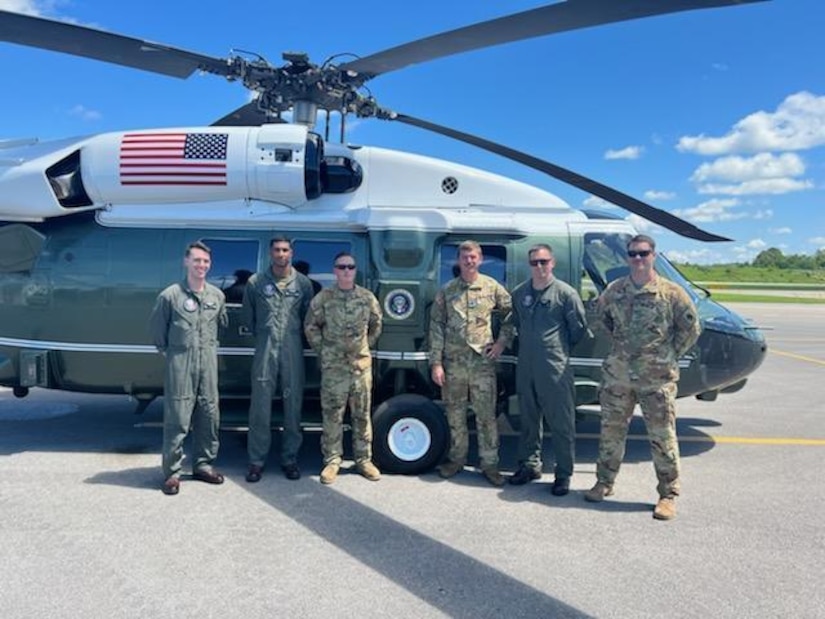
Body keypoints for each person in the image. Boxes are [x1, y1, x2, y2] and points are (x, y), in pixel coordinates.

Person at [584, 234, 701, 520]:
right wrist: (620, 346)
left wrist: (668, 354)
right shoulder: (615, 290)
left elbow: (691, 327)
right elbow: (601, 320)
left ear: (653, 255)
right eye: (633, 254)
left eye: (644, 253)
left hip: (656, 378)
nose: (638, 259)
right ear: (627, 257)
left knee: (662, 436)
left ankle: (668, 494)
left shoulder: (671, 293)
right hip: (619, 375)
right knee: (611, 432)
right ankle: (604, 482)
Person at [429, 240, 514, 487]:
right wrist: (436, 363)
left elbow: (511, 314)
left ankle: (490, 465)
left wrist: (501, 344)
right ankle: (456, 460)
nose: (469, 261)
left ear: (480, 259)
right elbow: (436, 327)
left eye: (473, 257)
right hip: (453, 365)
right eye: (465, 257)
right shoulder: (447, 291)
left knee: (486, 416)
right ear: (458, 260)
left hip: (481, 365)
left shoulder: (491, 287)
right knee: (455, 415)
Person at [149, 240, 228, 496]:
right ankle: (172, 474)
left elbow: (220, 327)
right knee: (177, 419)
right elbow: (158, 333)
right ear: (186, 262)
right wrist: (174, 356)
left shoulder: (217, 296)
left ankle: (203, 465)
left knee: (209, 415)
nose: (201, 265)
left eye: (205, 261)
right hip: (180, 364)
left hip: (208, 362)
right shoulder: (170, 296)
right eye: (196, 260)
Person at [509, 244, 588, 496]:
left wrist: (556, 351)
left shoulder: (566, 294)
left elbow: (578, 330)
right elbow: (516, 324)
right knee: (528, 420)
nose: (539, 267)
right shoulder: (520, 293)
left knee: (561, 423)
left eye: (544, 261)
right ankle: (530, 465)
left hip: (554, 367)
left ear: (552, 263)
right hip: (526, 367)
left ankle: (563, 474)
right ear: (529, 265)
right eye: (534, 262)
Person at [304, 251, 383, 485]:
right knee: (332, 415)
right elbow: (311, 326)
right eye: (341, 267)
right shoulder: (324, 298)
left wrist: (364, 347)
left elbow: (377, 324)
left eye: (350, 267)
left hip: (360, 368)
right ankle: (332, 461)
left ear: (355, 270)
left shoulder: (367, 298)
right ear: (335, 270)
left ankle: (363, 460)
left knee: (361, 415)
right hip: (334, 369)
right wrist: (325, 350)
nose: (346, 271)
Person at [243, 236, 315, 482]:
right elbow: (249, 320)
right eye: (276, 250)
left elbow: (308, 320)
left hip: (293, 349)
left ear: (291, 253)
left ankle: (290, 459)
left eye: (285, 250)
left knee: (293, 406)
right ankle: (256, 461)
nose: (281, 254)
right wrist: (266, 335)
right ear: (270, 253)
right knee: (260, 407)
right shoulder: (255, 283)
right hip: (265, 348)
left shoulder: (303, 284)